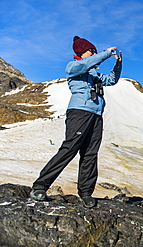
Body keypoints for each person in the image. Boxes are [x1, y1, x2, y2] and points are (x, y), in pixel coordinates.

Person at [30, 36, 122, 208]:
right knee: (69, 148)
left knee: (90, 153)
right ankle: (40, 186)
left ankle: (86, 193)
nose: (93, 54)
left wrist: (118, 65)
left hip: (96, 115)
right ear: (82, 52)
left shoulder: (94, 73)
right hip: (79, 113)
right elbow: (85, 64)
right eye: (91, 51)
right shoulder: (74, 67)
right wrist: (105, 54)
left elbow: (111, 80)